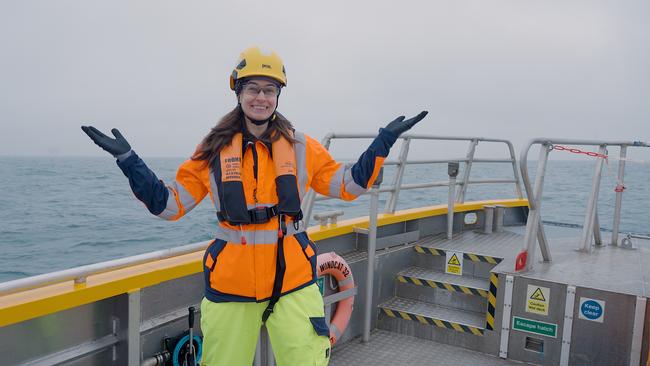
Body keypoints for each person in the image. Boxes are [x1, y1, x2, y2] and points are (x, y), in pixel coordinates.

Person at [82, 46, 427, 366]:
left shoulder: (301, 147)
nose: (261, 97)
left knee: (308, 359)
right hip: (232, 284)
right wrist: (129, 161)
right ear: (238, 93)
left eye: (269, 90)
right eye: (253, 89)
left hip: (294, 279)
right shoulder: (213, 149)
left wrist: (384, 141)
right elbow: (169, 206)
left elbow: (349, 185)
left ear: (278, 96)